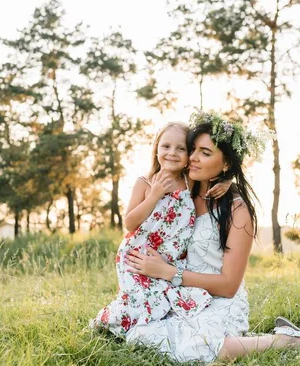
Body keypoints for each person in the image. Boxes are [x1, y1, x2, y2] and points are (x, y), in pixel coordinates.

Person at [124, 110, 300, 363]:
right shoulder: (186, 190)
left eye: (205, 153)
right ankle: (245, 341)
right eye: (192, 149)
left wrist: (168, 272)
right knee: (140, 337)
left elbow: (229, 285)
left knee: (196, 349)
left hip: (220, 299)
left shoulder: (238, 211)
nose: (193, 158)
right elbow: (140, 218)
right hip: (184, 295)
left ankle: (286, 341)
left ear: (226, 163)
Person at [90, 122, 231, 338]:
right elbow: (130, 223)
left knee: (169, 299)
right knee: (139, 299)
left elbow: (217, 170)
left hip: (171, 259)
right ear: (156, 149)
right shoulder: (145, 182)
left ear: (188, 155)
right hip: (139, 253)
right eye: (165, 146)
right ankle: (111, 324)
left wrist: (228, 182)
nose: (172, 153)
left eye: (180, 148)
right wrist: (154, 195)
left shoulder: (189, 182)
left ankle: (154, 329)